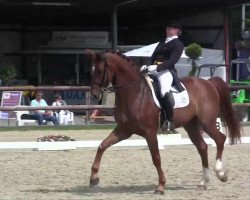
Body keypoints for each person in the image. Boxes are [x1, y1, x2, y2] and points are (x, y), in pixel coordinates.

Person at [141, 21, 184, 133]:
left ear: (176, 30)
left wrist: (156, 68)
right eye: (167, 28)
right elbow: (153, 56)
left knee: (164, 91)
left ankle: (169, 122)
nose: (167, 30)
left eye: (169, 28)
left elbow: (172, 61)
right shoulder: (162, 42)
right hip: (153, 69)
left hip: (166, 71)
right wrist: (147, 65)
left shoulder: (178, 44)